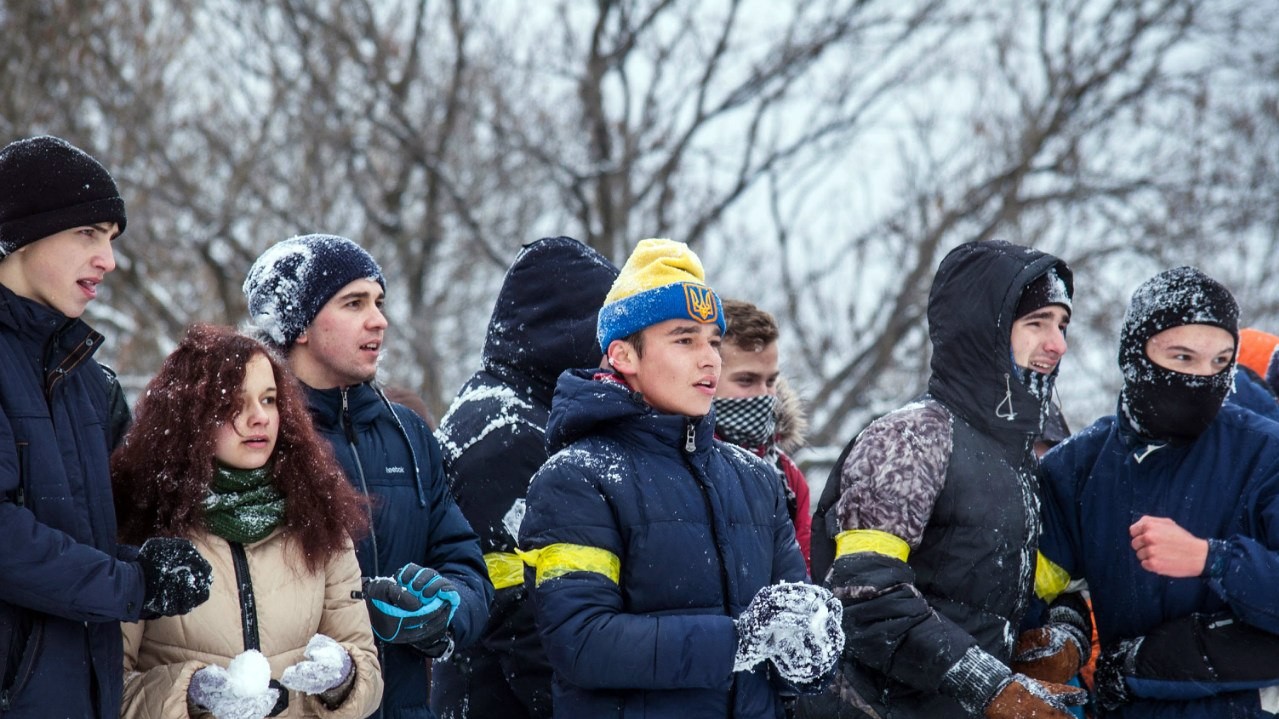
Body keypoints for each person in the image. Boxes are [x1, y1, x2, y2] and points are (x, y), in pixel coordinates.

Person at [519, 238, 844, 718]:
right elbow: (583, 641)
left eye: (714, 340)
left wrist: (816, 650)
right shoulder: (576, 479)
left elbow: (794, 626)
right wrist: (740, 640)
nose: (710, 358)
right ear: (624, 355)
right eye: (684, 339)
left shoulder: (757, 479)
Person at [822, 240, 1088, 718]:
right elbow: (865, 595)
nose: (1057, 344)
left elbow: (1052, 583)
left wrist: (1061, 636)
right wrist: (988, 684)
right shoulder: (911, 437)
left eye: (1062, 325)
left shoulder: (1020, 459)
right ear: (982, 331)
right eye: (1037, 323)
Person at [0, 135, 212, 718]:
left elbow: (77, 535)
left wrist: (144, 560)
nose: (108, 260)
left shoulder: (87, 383)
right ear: (23, 233)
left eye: (111, 240)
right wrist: (134, 583)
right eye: (87, 234)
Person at [243, 234, 493, 719]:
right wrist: (350, 617)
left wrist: (442, 609)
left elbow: (463, 561)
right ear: (299, 325)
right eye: (354, 303)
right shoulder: (256, 434)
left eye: (378, 302)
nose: (378, 320)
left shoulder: (409, 433)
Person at [1035, 266, 1279, 718]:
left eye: (1220, 361)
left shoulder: (1266, 452)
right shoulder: (1079, 466)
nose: (1202, 378)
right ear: (1135, 356)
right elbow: (1032, 587)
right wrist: (1064, 628)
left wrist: (1215, 559)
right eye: (1182, 358)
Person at [112, 324, 384, 718]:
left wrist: (343, 678)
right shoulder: (139, 525)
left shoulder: (318, 516)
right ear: (191, 415)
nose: (260, 418)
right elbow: (105, 686)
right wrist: (191, 694)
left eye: (270, 399)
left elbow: (368, 669)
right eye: (233, 403)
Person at [432, 236, 618, 719]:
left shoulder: (519, 409)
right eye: (609, 329)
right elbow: (518, 611)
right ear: (571, 328)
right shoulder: (508, 430)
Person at [713, 299, 813, 575]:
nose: (764, 395)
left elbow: (802, 573)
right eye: (746, 381)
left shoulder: (787, 477)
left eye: (771, 382)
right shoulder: (676, 455)